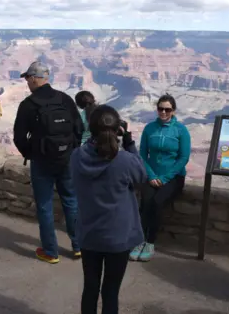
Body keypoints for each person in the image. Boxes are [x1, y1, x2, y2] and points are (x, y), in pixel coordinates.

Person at [71, 104, 147, 314]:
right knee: (111, 291)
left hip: (89, 234)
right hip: (118, 237)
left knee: (90, 288)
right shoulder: (124, 160)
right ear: (117, 130)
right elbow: (141, 176)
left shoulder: (77, 157)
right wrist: (129, 143)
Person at [13, 61, 84, 263]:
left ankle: (51, 252)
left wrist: (31, 153)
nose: (27, 82)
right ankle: (78, 246)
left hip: (42, 163)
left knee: (44, 206)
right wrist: (71, 150)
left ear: (35, 78)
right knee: (71, 201)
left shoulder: (28, 104)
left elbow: (19, 137)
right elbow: (79, 127)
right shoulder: (65, 99)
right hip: (67, 160)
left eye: (28, 78)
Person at [130, 93, 191, 262]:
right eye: (160, 109)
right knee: (145, 202)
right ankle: (139, 241)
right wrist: (151, 175)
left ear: (173, 111)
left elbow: (183, 158)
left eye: (167, 109)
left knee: (157, 203)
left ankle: (150, 242)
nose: (163, 112)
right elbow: (142, 154)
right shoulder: (150, 128)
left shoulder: (181, 130)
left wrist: (164, 179)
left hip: (173, 177)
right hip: (151, 175)